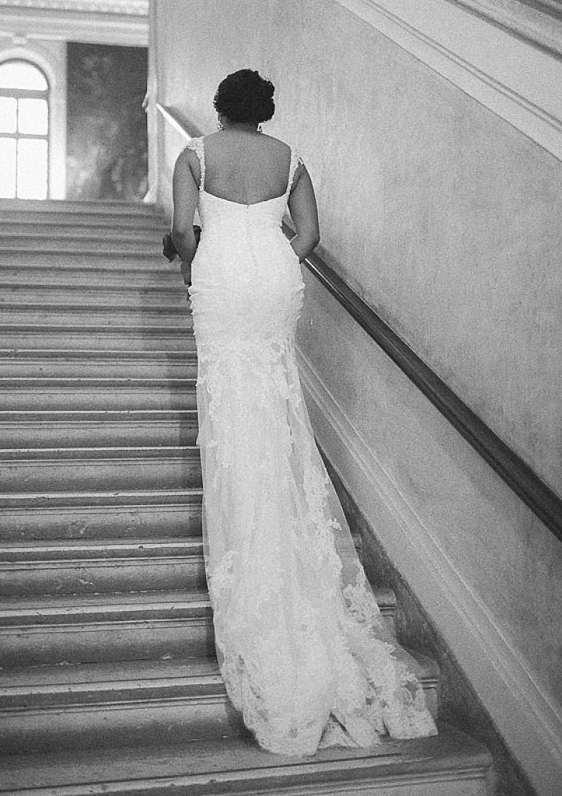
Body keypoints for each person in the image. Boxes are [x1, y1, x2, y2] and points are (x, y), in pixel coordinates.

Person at [171, 69, 436, 756]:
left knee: (230, 397)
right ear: (265, 110)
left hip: (222, 274)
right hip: (274, 274)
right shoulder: (290, 157)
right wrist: (274, 257)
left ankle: (246, 521)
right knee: (275, 390)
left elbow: (181, 231)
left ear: (221, 107)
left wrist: (202, 267)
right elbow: (310, 235)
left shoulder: (194, 154)